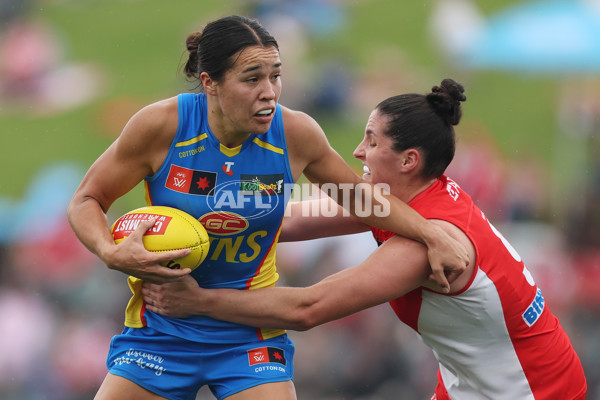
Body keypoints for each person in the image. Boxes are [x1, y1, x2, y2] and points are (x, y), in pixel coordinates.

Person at [67, 15, 468, 400]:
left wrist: (431, 233)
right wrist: (111, 251)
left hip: (249, 334)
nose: (270, 92)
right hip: (162, 328)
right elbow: (86, 200)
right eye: (252, 79)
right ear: (210, 83)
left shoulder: (295, 134)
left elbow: (366, 202)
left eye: (276, 75)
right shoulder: (161, 126)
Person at [142, 79, 588, 399]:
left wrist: (197, 301)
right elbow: (288, 219)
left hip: (533, 390)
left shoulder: (424, 246)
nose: (357, 152)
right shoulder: (403, 200)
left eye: (371, 142)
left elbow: (307, 308)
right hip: (470, 381)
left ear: (410, 160)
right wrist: (196, 206)